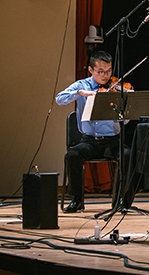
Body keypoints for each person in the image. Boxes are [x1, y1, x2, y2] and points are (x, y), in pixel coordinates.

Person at [55, 51, 128, 213]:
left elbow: (126, 121)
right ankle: (77, 200)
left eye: (108, 71)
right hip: (89, 140)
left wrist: (125, 110)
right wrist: (79, 93)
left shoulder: (116, 88)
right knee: (72, 155)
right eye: (100, 71)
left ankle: (121, 201)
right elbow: (59, 99)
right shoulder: (82, 85)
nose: (105, 75)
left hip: (112, 139)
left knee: (128, 155)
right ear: (91, 70)